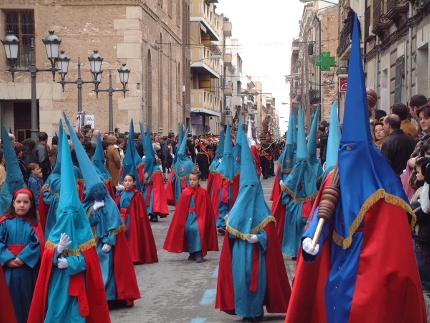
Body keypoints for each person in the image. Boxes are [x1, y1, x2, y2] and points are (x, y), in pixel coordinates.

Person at [286, 15, 426, 323]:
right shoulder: (334, 177)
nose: (347, 156)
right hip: (335, 268)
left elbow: (393, 252)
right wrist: (310, 239)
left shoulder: (384, 187)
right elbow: (318, 225)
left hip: (369, 278)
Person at [28, 126, 111, 323]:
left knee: (76, 314)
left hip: (77, 284)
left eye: (73, 214)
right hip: (57, 287)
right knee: (56, 313)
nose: (68, 217)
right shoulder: (56, 231)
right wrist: (58, 250)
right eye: (65, 214)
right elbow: (47, 258)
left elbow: (89, 262)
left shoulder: (84, 234)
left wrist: (71, 262)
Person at [216, 134, 291, 321]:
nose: (249, 190)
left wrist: (260, 238)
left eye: (252, 186)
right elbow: (229, 238)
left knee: (259, 282)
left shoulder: (265, 213)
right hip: (240, 254)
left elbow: (270, 237)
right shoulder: (235, 212)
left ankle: (256, 311)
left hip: (258, 253)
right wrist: (236, 234)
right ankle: (244, 311)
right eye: (246, 187)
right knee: (241, 282)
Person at [0, 188, 44, 323]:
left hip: (26, 269)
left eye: (25, 202)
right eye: (18, 201)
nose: (21, 205)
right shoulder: (4, 222)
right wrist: (7, 258)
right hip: (8, 269)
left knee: (27, 298)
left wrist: (23, 258)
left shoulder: (34, 224)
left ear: (31, 204)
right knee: (9, 299)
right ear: (13, 203)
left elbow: (37, 244)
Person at [163, 169, 218, 262]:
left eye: (194, 180)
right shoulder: (186, 192)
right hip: (188, 216)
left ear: (199, 180)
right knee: (188, 230)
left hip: (200, 216)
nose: (191, 182)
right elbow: (181, 208)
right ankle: (192, 252)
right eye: (190, 179)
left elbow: (207, 208)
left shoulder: (203, 192)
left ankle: (199, 253)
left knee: (197, 230)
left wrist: (204, 218)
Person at [115, 174, 158, 264]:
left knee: (132, 236)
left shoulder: (137, 195)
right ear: (123, 182)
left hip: (132, 219)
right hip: (122, 218)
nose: (127, 182)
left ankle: (133, 256)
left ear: (134, 182)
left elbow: (141, 211)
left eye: (130, 180)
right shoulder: (121, 194)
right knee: (123, 236)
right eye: (126, 180)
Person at [410, 157, 430, 292]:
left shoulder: (425, 192)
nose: (416, 174)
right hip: (424, 236)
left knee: (424, 275)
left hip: (424, 236)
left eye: (417, 172)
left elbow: (424, 208)